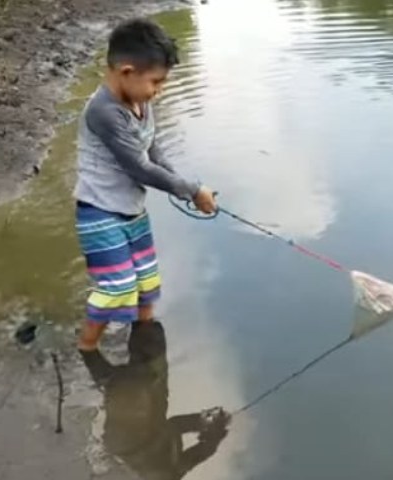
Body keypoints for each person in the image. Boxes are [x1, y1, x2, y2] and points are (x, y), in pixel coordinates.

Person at [73, 18, 216, 351]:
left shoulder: (141, 102)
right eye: (156, 81)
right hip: (99, 212)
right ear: (126, 72)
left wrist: (186, 190)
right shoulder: (104, 112)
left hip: (131, 210)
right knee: (117, 289)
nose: (159, 90)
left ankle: (146, 344)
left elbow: (154, 152)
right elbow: (138, 168)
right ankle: (87, 349)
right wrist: (192, 189)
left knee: (147, 284)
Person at [81, 322, 230, 479]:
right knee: (144, 340)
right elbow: (178, 429)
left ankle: (140, 317)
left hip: (143, 398)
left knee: (147, 339)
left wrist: (209, 428)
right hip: (134, 406)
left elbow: (176, 428)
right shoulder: (168, 471)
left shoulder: (167, 471)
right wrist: (210, 429)